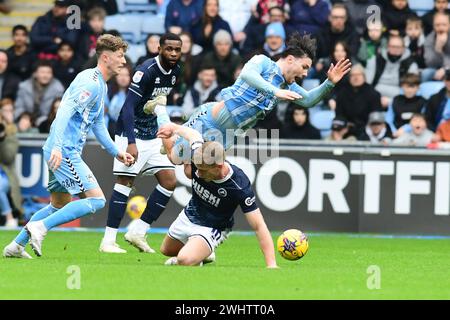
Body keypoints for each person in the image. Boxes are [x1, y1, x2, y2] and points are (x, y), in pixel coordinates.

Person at [2, 34, 134, 259]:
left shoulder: (98, 84)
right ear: (105, 57)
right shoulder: (91, 83)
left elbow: (98, 124)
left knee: (58, 204)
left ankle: (15, 246)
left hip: (60, 149)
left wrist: (116, 152)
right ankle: (40, 228)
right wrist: (58, 147)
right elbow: (63, 111)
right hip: (64, 151)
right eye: (120, 56)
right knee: (96, 200)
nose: (124, 61)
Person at [148, 33, 351, 162]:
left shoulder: (288, 85)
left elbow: (307, 100)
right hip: (211, 119)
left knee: (196, 171)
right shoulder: (262, 61)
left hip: (229, 135)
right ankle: (161, 109)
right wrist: (275, 92)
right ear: (290, 59)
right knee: (175, 157)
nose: (306, 73)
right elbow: (247, 75)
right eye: (304, 67)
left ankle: (213, 228)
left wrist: (330, 83)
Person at [99, 33, 183, 254]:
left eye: (177, 49)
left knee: (169, 181)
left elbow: (158, 103)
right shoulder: (145, 71)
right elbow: (127, 108)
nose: (173, 53)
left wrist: (164, 130)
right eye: (169, 49)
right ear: (159, 49)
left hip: (152, 133)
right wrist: (131, 143)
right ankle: (108, 241)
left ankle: (138, 230)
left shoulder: (175, 72)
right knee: (124, 183)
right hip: (130, 133)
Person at [156, 122, 278, 268]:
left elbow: (259, 226)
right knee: (166, 250)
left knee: (183, 260)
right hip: (190, 214)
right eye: (198, 168)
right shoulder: (199, 153)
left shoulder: (238, 185)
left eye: (203, 170)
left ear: (219, 166)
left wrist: (271, 265)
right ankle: (203, 252)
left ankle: (199, 251)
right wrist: (173, 128)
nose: (198, 174)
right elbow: (191, 134)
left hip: (213, 227)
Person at [365, 34, 419, 108]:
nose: (395, 49)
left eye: (398, 47)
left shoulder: (410, 64)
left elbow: (411, 86)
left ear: (403, 48)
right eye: (393, 46)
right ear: (388, 47)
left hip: (399, 95)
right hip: (376, 93)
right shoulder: (375, 60)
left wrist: (391, 101)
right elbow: (367, 83)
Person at [14, 60, 65, 128]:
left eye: (48, 72)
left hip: (49, 122)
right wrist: (24, 116)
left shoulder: (58, 88)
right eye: (42, 72)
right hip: (28, 119)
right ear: (35, 73)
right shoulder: (24, 87)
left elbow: (59, 111)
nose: (45, 75)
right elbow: (19, 107)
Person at [335, 64, 382, 136]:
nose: (356, 78)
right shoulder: (342, 93)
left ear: (364, 77)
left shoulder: (374, 94)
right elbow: (339, 114)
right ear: (349, 78)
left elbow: (375, 116)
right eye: (353, 75)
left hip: (367, 130)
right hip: (346, 129)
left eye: (358, 75)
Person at [424, 12, 450, 81]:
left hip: (447, 67)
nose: (441, 28)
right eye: (437, 25)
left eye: (444, 25)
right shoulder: (429, 39)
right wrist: (438, 48)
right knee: (426, 73)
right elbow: (430, 63)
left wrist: (446, 69)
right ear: (433, 26)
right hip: (436, 69)